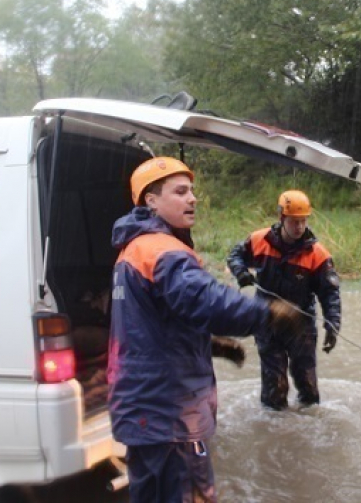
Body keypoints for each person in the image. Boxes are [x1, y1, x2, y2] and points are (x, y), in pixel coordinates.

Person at [107, 156, 302, 503]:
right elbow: (205, 299)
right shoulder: (162, 250)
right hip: (170, 412)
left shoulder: (131, 251)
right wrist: (267, 312)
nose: (192, 199)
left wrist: (209, 343)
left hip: (142, 408)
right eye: (180, 192)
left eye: (192, 191)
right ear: (150, 200)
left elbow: (150, 325)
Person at [227, 189, 341, 411]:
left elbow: (330, 294)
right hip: (267, 321)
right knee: (274, 390)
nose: (299, 227)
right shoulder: (259, 240)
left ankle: (308, 429)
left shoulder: (318, 255)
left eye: (303, 221)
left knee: (308, 387)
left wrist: (332, 325)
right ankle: (275, 429)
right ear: (282, 219)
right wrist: (241, 272)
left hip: (301, 326)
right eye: (294, 221)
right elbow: (235, 256)